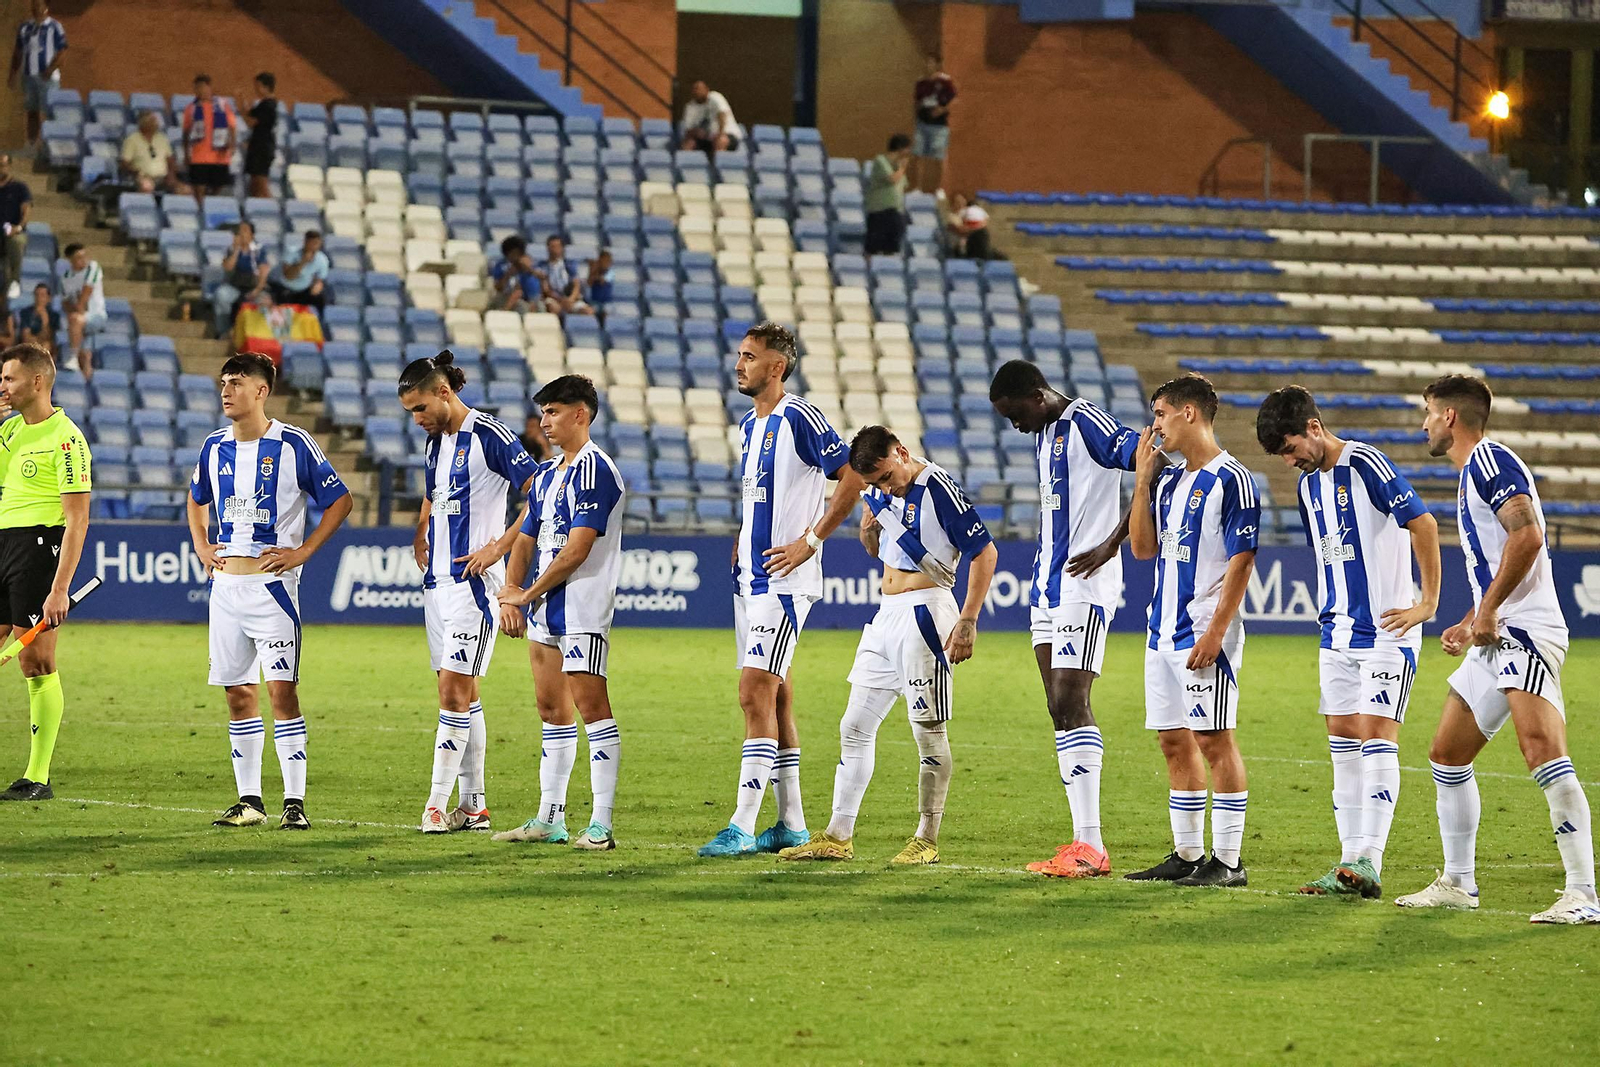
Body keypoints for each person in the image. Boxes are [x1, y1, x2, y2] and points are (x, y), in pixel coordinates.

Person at [1395, 375, 1599, 924]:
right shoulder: (1474, 473)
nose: (1425, 425)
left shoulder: (1487, 460)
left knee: (1542, 751)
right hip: (1497, 630)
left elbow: (1529, 536)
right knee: (1447, 754)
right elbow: (1497, 560)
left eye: (1430, 414)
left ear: (1452, 419)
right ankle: (1458, 883)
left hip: (1524, 630)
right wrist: (1469, 620)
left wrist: (1487, 613)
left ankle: (1583, 892)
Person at [779, 425, 996, 865]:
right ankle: (838, 835)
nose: (883, 485)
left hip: (926, 613)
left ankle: (927, 838)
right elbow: (878, 549)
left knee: (928, 732)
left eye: (885, 476)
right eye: (874, 482)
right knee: (853, 726)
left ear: (900, 451)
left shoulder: (938, 488)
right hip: (886, 615)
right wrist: (868, 529)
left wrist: (968, 619)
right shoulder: (879, 493)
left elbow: (985, 552)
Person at [1255, 387, 1440, 899]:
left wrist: (1427, 602)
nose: (1290, 461)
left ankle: (1370, 861)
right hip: (1336, 633)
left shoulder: (1366, 464)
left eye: (1291, 449)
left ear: (1313, 428)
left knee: (1379, 738)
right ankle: (1346, 864)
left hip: (1388, 630)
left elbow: (1423, 524)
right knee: (1342, 745)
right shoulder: (1308, 486)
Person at [698, 322, 866, 857]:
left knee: (753, 693)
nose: (739, 365)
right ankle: (791, 823)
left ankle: (742, 825)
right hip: (749, 578)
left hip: (783, 582)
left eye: (749, 357)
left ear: (777, 366)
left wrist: (810, 541)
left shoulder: (800, 416)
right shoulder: (749, 425)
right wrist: (743, 536)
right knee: (778, 695)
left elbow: (854, 477)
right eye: (739, 356)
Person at [187, 354, 352, 830]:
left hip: (272, 589)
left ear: (261, 392)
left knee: (282, 694)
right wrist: (201, 544)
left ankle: (295, 804)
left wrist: (302, 552)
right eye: (223, 383)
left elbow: (340, 500)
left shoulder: (293, 444)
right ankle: (249, 801)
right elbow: (196, 499)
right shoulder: (213, 446)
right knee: (238, 694)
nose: (226, 391)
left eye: (236, 383)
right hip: (225, 590)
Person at [988, 359, 1139, 878]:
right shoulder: (1045, 431)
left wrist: (1111, 544)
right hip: (1048, 586)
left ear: (1037, 394)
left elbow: (1153, 460)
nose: (1015, 426)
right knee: (1057, 706)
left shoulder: (1085, 423)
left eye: (1015, 415)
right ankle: (1081, 843)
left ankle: (1092, 845)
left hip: (1085, 583)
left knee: (1072, 700)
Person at [1125, 373, 1259, 888]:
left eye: (1160, 414)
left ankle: (1229, 861)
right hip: (1160, 631)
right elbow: (1142, 549)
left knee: (1213, 740)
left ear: (1188, 413)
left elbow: (1242, 561)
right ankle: (1186, 853)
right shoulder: (1169, 481)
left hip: (1204, 634)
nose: (1154, 425)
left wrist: (1217, 633)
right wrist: (1141, 480)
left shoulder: (1232, 479)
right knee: (1173, 741)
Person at [400, 351, 538, 834]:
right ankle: (474, 806)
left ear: (444, 392)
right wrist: (421, 528)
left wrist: (499, 546)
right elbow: (433, 494)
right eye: (410, 413)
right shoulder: (436, 442)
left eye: (420, 409)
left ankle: (436, 806)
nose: (416, 420)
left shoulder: (490, 435)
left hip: (473, 586)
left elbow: (540, 490)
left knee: (453, 693)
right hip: (436, 585)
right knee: (464, 693)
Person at [494, 375, 627, 850]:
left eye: (553, 412)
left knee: (592, 709)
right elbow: (525, 537)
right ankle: (550, 817)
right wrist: (511, 586)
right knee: (551, 709)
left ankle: (602, 824)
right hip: (544, 609)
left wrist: (523, 595)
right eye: (543, 413)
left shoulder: (597, 470)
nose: (544, 422)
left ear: (581, 414)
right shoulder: (548, 474)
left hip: (583, 608)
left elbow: (577, 550)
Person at [0, 343, 90, 802]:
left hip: (38, 549)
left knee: (36, 662)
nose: (2, 387)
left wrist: (60, 589)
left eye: (9, 379)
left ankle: (38, 777)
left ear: (37, 382)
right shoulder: (9, 432)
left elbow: (77, 520)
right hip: (2, 543)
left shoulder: (67, 438)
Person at [9, 0, 65, 148]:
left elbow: (62, 51)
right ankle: (32, 144)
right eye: (34, 5)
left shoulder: (55, 26)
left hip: (48, 78)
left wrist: (50, 69)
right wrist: (13, 73)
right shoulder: (25, 27)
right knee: (32, 110)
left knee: (50, 112)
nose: (36, 8)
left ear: (46, 7)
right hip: (29, 77)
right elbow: (18, 52)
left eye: (39, 5)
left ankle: (51, 145)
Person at [182, 74, 237, 205]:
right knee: (199, 187)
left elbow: (232, 127)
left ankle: (210, 203)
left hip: (219, 155)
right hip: (199, 156)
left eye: (202, 87)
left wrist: (232, 144)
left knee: (219, 184)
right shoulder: (191, 108)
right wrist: (186, 153)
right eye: (196, 88)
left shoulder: (222, 105)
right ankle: (201, 210)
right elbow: (186, 132)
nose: (199, 91)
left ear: (209, 87)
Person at [211, 220, 270, 339]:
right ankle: (224, 331)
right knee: (221, 295)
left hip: (254, 287)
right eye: (239, 231)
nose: (241, 234)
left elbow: (264, 271)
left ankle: (256, 336)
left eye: (245, 231)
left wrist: (257, 290)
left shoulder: (259, 250)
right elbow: (228, 267)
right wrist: (236, 250)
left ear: (252, 235)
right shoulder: (231, 249)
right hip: (235, 286)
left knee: (265, 302)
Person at [912, 54, 956, 194]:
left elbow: (954, 101)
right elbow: (917, 101)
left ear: (937, 64)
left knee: (939, 157)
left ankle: (940, 189)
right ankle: (918, 188)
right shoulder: (921, 82)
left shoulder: (945, 81)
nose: (928, 65)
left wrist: (942, 109)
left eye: (931, 63)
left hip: (939, 125)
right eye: (926, 62)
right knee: (918, 155)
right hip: (922, 123)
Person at [59, 243, 104, 380]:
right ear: (70, 260)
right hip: (80, 319)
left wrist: (77, 312)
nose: (83, 260)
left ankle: (73, 355)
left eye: (85, 256)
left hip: (96, 316)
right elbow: (65, 301)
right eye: (79, 258)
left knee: (75, 320)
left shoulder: (93, 267)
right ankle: (85, 374)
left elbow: (86, 292)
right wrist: (72, 312)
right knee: (86, 356)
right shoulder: (66, 277)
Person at [865, 134, 911, 257]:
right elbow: (892, 179)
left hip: (896, 212)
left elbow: (903, 186)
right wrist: (902, 168)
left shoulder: (898, 167)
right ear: (900, 148)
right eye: (907, 149)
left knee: (892, 248)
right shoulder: (881, 161)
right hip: (880, 210)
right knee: (873, 247)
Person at [119, 111, 185, 196]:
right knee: (147, 186)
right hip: (142, 176)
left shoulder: (162, 138)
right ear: (144, 123)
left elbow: (170, 160)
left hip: (163, 177)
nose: (156, 124)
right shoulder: (132, 140)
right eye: (153, 121)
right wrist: (136, 172)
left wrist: (171, 174)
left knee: (185, 190)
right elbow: (124, 163)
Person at [268, 229, 329, 312]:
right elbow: (288, 276)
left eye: (316, 244)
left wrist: (317, 285)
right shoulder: (291, 252)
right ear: (305, 242)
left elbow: (320, 279)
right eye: (311, 243)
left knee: (320, 298)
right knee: (282, 296)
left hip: (304, 290)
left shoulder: (322, 260)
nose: (313, 247)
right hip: (286, 288)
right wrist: (303, 262)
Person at [679, 80, 743, 156]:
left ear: (707, 90)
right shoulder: (690, 107)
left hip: (727, 135)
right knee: (688, 143)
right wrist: (697, 132)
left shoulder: (715, 97)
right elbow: (688, 130)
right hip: (706, 137)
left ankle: (718, 166)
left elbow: (722, 115)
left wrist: (720, 134)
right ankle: (688, 166)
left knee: (720, 141)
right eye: (694, 89)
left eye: (699, 88)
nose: (696, 91)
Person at [0, 154, 32, 304]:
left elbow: (26, 211)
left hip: (12, 232)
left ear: (9, 166)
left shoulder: (20, 187)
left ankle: (15, 282)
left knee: (16, 241)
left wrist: (18, 227)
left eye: (2, 165)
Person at [240, 72, 278, 200]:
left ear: (265, 87)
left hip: (262, 149)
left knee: (261, 183)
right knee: (254, 185)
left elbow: (250, 122)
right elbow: (249, 115)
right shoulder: (263, 104)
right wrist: (241, 102)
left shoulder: (269, 105)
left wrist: (239, 104)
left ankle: (272, 210)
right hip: (257, 147)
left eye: (258, 86)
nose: (256, 89)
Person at [536, 234, 591, 319]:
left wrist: (571, 299)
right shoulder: (542, 266)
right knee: (553, 308)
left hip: (569, 298)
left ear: (562, 248)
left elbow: (576, 285)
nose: (555, 249)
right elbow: (546, 289)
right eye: (552, 246)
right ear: (548, 248)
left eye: (558, 246)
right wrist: (561, 300)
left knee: (587, 311)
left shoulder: (569, 265)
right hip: (553, 298)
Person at [490, 235, 540, 313]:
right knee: (521, 305)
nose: (516, 256)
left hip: (528, 297)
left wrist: (529, 269)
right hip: (505, 297)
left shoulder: (530, 264)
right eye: (513, 253)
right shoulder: (500, 265)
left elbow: (541, 278)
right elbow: (498, 287)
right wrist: (508, 274)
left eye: (519, 253)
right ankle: (505, 312)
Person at [15, 282, 57, 357]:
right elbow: (25, 337)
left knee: (46, 345)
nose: (39, 298)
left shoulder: (54, 316)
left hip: (44, 345)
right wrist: (37, 341)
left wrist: (45, 321)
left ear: (48, 298)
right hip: (29, 345)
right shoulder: (25, 313)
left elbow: (49, 337)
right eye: (36, 295)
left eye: (42, 295)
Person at [584, 249, 614, 319]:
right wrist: (592, 269)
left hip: (607, 302)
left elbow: (602, 281)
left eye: (608, 261)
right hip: (595, 302)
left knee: (607, 311)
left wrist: (594, 269)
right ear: (599, 261)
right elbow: (589, 283)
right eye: (603, 261)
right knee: (589, 311)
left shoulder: (611, 273)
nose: (606, 264)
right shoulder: (594, 272)